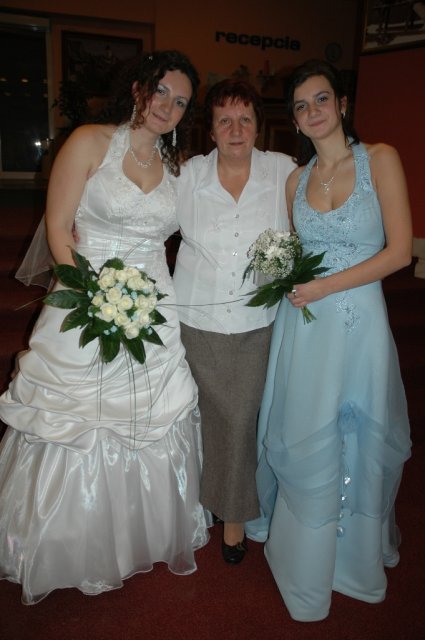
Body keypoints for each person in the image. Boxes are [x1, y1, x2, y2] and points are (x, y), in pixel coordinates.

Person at [0, 50, 210, 605]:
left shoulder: (178, 167)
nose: (168, 107)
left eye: (181, 102)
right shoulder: (90, 141)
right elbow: (57, 226)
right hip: (86, 297)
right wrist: (91, 298)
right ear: (139, 88)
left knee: (152, 416)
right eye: (161, 91)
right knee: (80, 417)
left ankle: (140, 534)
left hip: (155, 307)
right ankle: (64, 542)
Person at [245, 59, 412, 621]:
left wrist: (323, 287)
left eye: (321, 99)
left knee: (357, 429)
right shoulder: (295, 180)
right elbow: (295, 256)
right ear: (294, 120)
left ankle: (352, 561)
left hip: (359, 322)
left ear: (342, 104)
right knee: (306, 425)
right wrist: (280, 274)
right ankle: (305, 558)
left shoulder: (380, 159)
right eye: (301, 106)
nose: (312, 111)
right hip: (305, 326)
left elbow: (399, 252)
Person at [172, 79, 296, 564]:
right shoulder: (188, 176)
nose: (236, 129)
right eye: (224, 120)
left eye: (245, 119)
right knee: (199, 417)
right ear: (211, 130)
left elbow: (320, 212)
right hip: (195, 318)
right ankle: (198, 503)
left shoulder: (283, 171)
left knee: (241, 420)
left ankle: (235, 517)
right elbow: (148, 217)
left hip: (255, 322)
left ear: (259, 126)